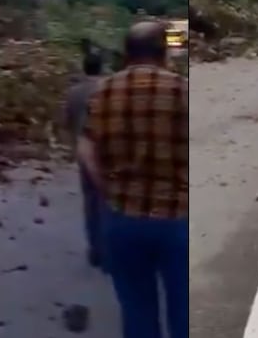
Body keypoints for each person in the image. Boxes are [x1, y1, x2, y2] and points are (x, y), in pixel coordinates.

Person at [79, 22, 188, 338]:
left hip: (123, 219)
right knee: (183, 310)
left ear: (126, 54)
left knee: (137, 309)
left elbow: (85, 149)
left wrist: (106, 189)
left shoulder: (102, 92)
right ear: (163, 53)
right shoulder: (183, 90)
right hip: (177, 219)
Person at [64, 49, 105, 269]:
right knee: (109, 200)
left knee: (90, 201)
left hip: (83, 149)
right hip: (107, 149)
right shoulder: (108, 88)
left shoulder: (74, 92)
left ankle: (95, 248)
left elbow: (67, 122)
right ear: (102, 67)